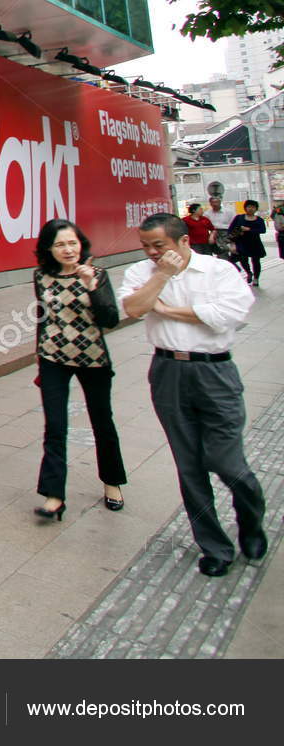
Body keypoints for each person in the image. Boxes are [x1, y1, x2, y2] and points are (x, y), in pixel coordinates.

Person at [119, 213, 267, 577]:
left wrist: (170, 310)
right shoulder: (143, 273)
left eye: (160, 247)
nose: (152, 253)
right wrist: (163, 277)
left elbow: (229, 313)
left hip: (215, 371)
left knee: (226, 461)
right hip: (168, 371)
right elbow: (135, 307)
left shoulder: (219, 271)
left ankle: (251, 521)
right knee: (189, 465)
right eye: (146, 247)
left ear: (183, 241)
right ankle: (214, 546)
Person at [31, 219, 126, 521]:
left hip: (93, 358)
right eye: (60, 244)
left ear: (81, 243)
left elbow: (110, 318)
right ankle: (54, 495)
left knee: (102, 422)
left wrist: (91, 286)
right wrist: (39, 358)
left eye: (72, 243)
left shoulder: (97, 274)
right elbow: (43, 319)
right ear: (49, 249)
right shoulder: (41, 277)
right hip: (53, 359)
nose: (68, 249)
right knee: (55, 427)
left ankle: (112, 483)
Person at [229, 200, 267, 286]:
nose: (250, 209)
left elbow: (262, 230)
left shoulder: (259, 220)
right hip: (241, 242)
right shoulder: (239, 218)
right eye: (249, 206)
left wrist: (248, 229)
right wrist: (232, 243)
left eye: (253, 207)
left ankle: (256, 278)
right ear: (245, 208)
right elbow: (231, 230)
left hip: (255, 243)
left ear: (256, 209)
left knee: (256, 261)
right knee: (243, 259)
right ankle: (249, 273)